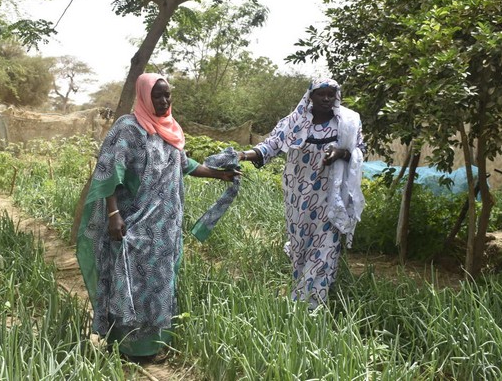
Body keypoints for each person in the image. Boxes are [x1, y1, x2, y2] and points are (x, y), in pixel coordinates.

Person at [76, 73, 237, 362]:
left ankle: (151, 346)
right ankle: (126, 346)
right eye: (157, 96)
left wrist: (218, 174)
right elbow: (110, 171)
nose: (163, 101)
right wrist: (113, 214)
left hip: (165, 228)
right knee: (131, 283)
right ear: (144, 97)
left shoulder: (170, 129)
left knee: (159, 285)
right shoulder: (129, 128)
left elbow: (183, 163)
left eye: (167, 96)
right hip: (133, 223)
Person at [238, 78, 365, 310]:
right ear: (310, 96)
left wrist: (340, 153)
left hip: (330, 199)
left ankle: (310, 307)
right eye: (321, 94)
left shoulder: (347, 123)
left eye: (331, 94)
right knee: (301, 249)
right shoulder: (294, 122)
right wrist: (243, 155)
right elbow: (271, 146)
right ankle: (303, 294)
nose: (326, 98)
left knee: (325, 251)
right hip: (299, 198)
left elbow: (359, 151)